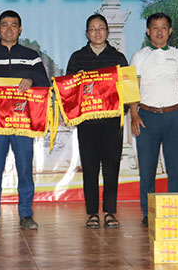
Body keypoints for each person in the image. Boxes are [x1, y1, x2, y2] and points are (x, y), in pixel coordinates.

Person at [129, 12, 178, 227]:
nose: (159, 31)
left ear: (170, 31)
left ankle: (175, 210)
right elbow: (132, 87)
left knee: (175, 169)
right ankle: (148, 213)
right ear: (148, 31)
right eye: (155, 27)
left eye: (163, 27)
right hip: (147, 117)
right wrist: (134, 114)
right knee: (147, 170)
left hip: (174, 117)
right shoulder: (139, 57)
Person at [0, 10, 50, 231]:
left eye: (14, 25)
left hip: (23, 122)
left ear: (20, 29)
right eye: (5, 25)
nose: (9, 29)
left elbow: (45, 83)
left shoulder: (31, 56)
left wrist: (31, 78)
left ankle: (26, 214)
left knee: (25, 169)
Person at [66, 14, 128, 229]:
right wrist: (77, 80)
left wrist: (123, 109)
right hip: (87, 123)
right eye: (93, 29)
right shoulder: (77, 58)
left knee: (112, 167)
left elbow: (127, 88)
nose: (97, 32)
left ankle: (110, 211)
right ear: (87, 33)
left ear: (107, 31)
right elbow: (68, 91)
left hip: (112, 121)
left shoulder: (118, 58)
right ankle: (92, 212)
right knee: (90, 168)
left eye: (101, 28)